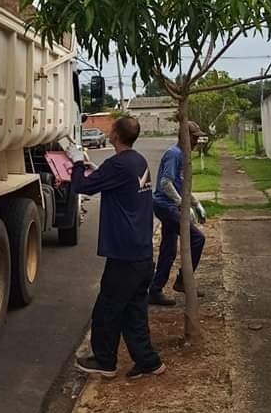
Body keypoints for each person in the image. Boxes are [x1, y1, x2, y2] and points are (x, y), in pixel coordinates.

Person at [67, 116, 166, 379]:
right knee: (134, 309)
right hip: (141, 252)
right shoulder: (137, 161)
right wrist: (92, 167)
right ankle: (149, 361)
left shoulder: (118, 164)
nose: (108, 131)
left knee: (107, 309)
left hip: (124, 254)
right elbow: (115, 182)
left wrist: (77, 161)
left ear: (115, 136)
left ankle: (104, 361)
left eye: (111, 129)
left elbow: (81, 187)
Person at [149, 121, 208, 306]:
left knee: (168, 249)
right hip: (165, 205)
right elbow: (166, 184)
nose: (197, 140)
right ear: (184, 136)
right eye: (194, 136)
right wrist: (183, 205)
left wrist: (196, 203)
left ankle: (155, 290)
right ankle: (183, 281)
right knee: (198, 239)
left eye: (198, 136)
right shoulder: (174, 155)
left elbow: (181, 185)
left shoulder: (183, 154)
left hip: (170, 205)